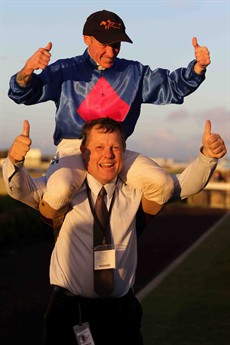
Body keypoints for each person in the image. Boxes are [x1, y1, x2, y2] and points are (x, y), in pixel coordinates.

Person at [2, 117, 226, 345]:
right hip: (70, 311)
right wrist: (15, 162)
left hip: (121, 312)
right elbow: (22, 190)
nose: (108, 155)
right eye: (99, 147)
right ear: (83, 151)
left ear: (124, 152)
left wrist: (207, 157)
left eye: (115, 148)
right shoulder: (62, 191)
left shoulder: (135, 193)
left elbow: (182, 186)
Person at [8, 9, 211, 225]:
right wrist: (27, 70)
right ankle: (57, 233)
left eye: (116, 44)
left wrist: (197, 68)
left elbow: (171, 86)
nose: (111, 51)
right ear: (87, 39)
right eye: (104, 44)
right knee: (59, 191)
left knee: (163, 184)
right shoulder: (66, 69)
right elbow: (24, 94)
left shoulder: (134, 72)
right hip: (73, 147)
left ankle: (131, 232)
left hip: (115, 150)